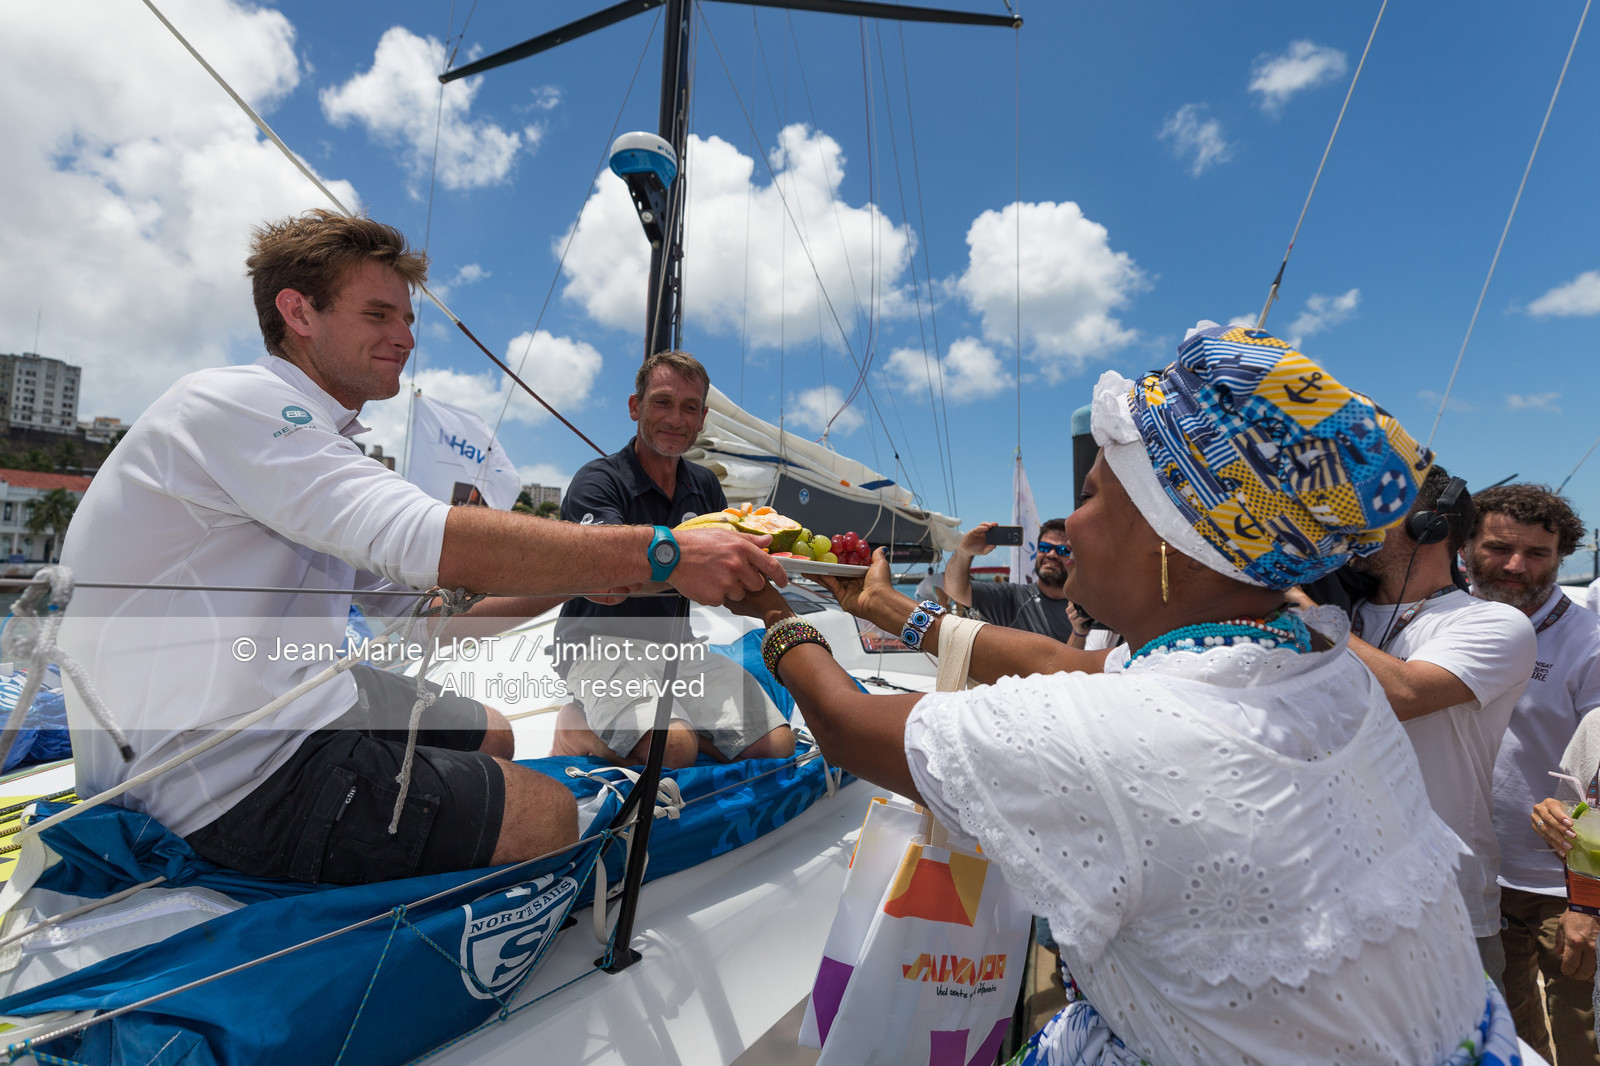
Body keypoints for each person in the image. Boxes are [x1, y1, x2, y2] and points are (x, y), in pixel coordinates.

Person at [738, 322, 1516, 1064]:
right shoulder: (1316, 661)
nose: (1069, 526)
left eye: (1091, 497)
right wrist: (893, 612)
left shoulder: (1117, 731)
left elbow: (844, 723)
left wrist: (772, 608)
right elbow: (1059, 663)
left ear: (1166, 539)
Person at [56, 210, 785, 885]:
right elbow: (429, 539)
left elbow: (427, 620)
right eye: (378, 314)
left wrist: (582, 579)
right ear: (298, 312)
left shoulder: (317, 445)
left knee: (497, 732)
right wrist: (662, 554)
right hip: (215, 766)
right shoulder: (236, 405)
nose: (405, 337)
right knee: (549, 815)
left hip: (293, 698)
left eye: (407, 318)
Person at [1292, 465, 1537, 985]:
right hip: (1335, 902)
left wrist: (1298, 607)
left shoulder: (1491, 622)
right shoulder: (1343, 613)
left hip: (1444, 907)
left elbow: (1404, 693)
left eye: (1375, 513)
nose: (1354, 528)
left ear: (1431, 527)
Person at [549, 351, 794, 769]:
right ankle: (574, 723)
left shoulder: (705, 486)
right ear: (635, 407)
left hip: (678, 649)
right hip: (598, 646)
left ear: (702, 419)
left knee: (776, 745)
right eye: (662, 402)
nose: (676, 419)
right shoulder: (597, 482)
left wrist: (773, 586)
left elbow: (725, 575)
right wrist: (691, 565)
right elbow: (606, 573)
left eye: (690, 407)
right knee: (674, 749)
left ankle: (680, 729)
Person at [1469, 484, 1600, 1065]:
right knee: (1512, 1040)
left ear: (1561, 557)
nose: (1516, 566)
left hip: (1562, 890)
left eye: (1538, 553)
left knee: (1579, 1043)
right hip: (1477, 880)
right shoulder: (1448, 624)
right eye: (1499, 548)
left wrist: (1588, 901)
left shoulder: (1589, 643)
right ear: (1466, 546)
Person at [945, 517, 1076, 642]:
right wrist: (964, 552)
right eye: (1044, 547)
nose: (1051, 554)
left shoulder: (1083, 607)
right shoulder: (1013, 598)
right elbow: (956, 591)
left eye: (1062, 550)